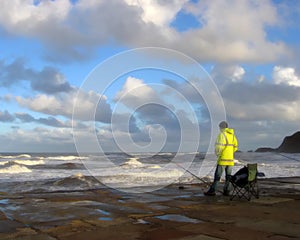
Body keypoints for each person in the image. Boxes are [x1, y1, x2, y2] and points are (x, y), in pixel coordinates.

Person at [204, 121, 238, 196]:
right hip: (230, 160)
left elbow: (218, 147)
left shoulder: (221, 135)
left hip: (222, 160)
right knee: (228, 177)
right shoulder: (232, 135)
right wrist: (230, 153)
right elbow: (235, 147)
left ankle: (212, 191)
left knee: (217, 177)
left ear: (221, 128)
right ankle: (227, 191)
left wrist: (218, 154)